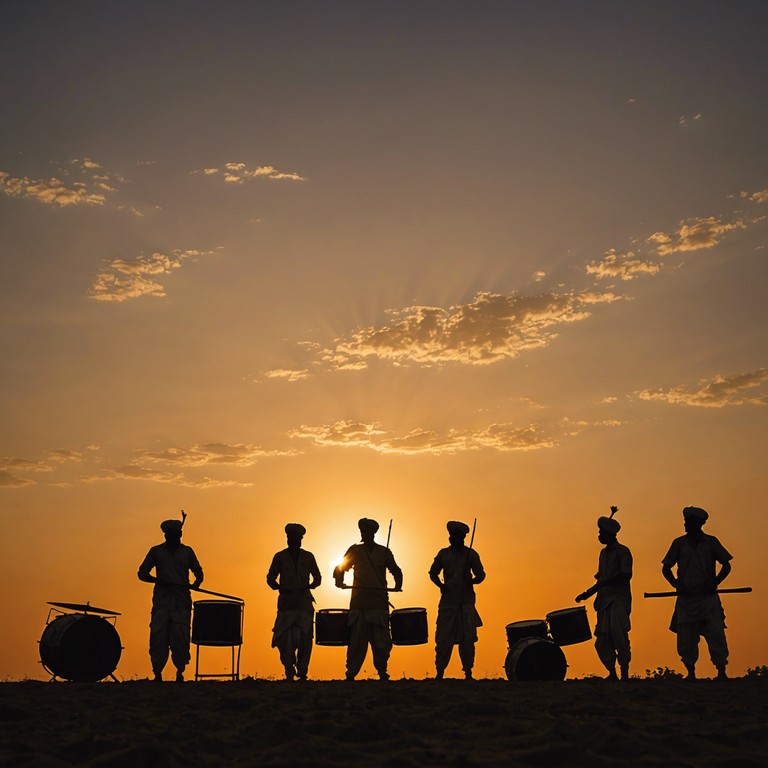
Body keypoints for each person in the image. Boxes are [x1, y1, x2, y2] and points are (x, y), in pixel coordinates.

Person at [662, 505, 733, 680]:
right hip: (686, 600)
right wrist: (677, 585)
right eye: (685, 521)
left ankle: (721, 671)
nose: (686, 524)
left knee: (716, 634)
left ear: (699, 524)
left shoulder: (711, 542)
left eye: (689, 522)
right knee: (687, 639)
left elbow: (726, 565)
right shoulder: (678, 543)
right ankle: (691, 672)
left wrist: (715, 582)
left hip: (707, 599)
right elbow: (666, 568)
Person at [333, 518, 403, 680]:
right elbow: (340, 568)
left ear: (373, 534)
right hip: (359, 604)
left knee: (382, 643)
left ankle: (382, 671)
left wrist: (398, 584)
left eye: (367, 532)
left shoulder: (384, 552)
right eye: (363, 532)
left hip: (378, 603)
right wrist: (339, 581)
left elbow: (396, 571)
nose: (364, 534)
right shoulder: (355, 550)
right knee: (357, 642)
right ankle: (351, 674)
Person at [137, 516, 204, 682]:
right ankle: (157, 673)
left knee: (180, 639)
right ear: (165, 536)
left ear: (180, 535)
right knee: (158, 639)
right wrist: (157, 580)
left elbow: (199, 572)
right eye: (169, 535)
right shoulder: (156, 551)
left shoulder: (187, 552)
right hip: (161, 602)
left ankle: (180, 673)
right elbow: (142, 573)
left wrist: (196, 583)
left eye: (175, 534)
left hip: (181, 602)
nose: (172, 537)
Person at [575, 506, 633, 680]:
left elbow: (625, 575)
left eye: (601, 532)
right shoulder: (603, 554)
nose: (599, 535)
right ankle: (612, 672)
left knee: (619, 636)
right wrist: (587, 593)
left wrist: (604, 584)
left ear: (609, 534)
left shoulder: (623, 551)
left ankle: (624, 672)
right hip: (604, 601)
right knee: (602, 640)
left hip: (618, 600)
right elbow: (601, 579)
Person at [428, 520, 486, 680]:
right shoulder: (443, 554)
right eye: (451, 535)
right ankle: (440, 672)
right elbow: (433, 573)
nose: (452, 538)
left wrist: (472, 581)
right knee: (443, 639)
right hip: (448, 603)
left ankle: (468, 672)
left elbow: (481, 575)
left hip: (466, 602)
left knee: (467, 641)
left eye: (455, 536)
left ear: (462, 537)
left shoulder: (471, 554)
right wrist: (441, 585)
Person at [266, 523, 322, 680]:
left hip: (304, 605)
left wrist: (309, 586)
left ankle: (302, 670)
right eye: (290, 538)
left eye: (296, 538)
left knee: (305, 639)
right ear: (287, 539)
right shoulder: (279, 557)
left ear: (301, 540)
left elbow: (318, 578)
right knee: (285, 639)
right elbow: (270, 578)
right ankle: (289, 668)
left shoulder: (309, 557)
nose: (293, 541)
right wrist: (279, 588)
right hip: (286, 605)